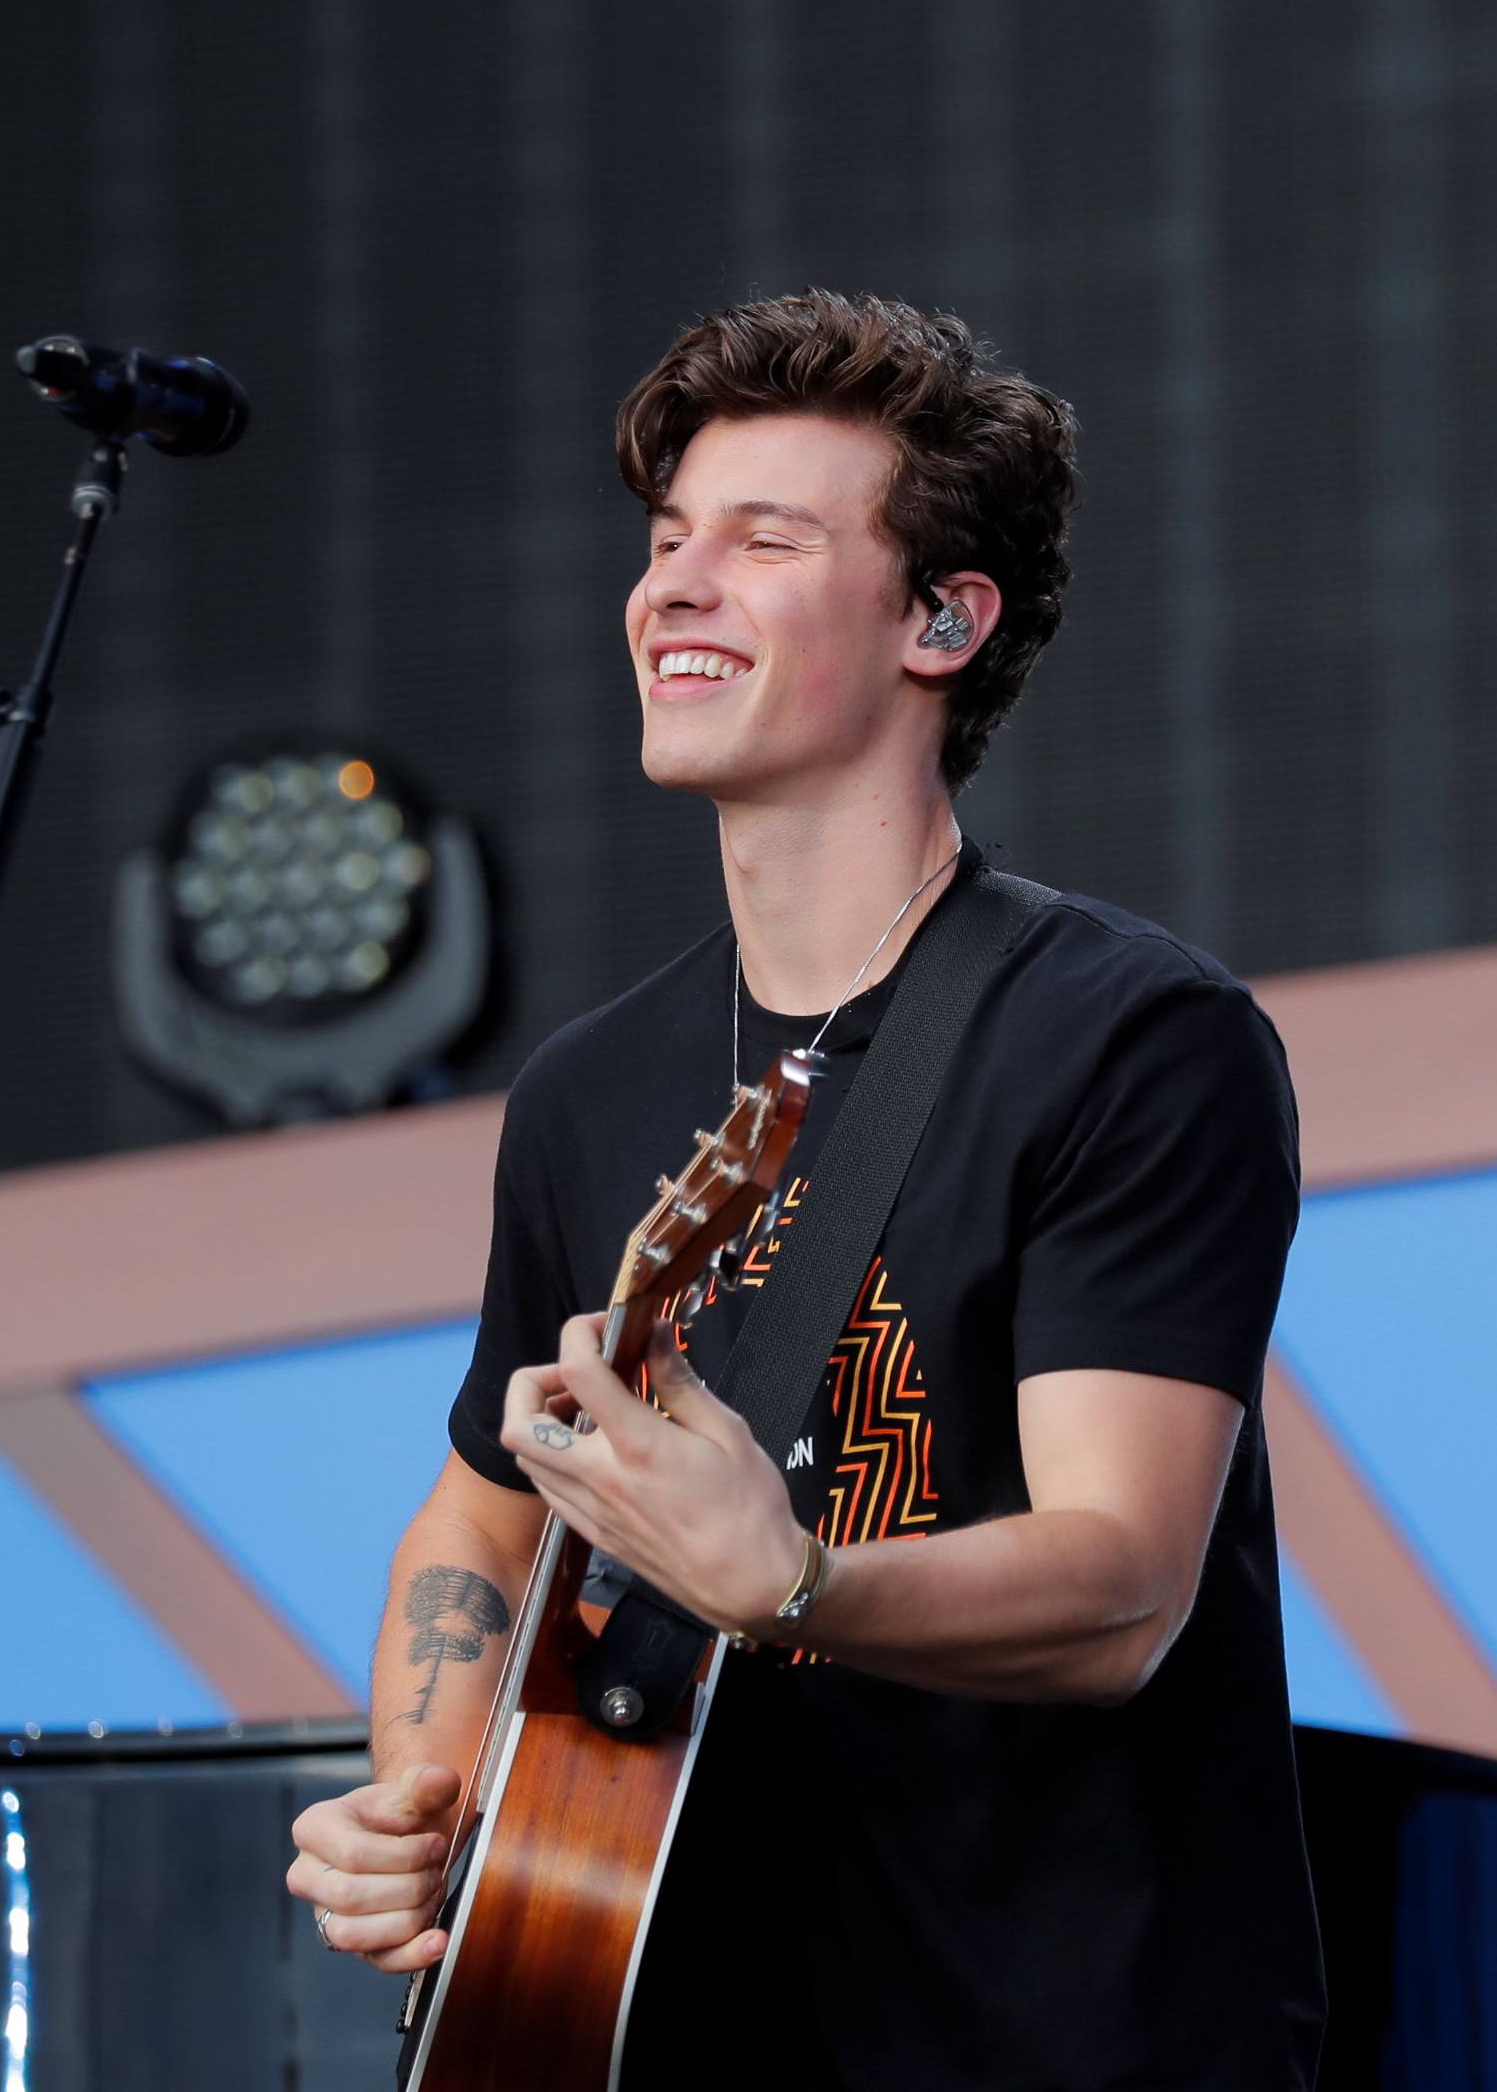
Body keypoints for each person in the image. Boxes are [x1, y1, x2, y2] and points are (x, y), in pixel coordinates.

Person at [287, 290, 1327, 2090]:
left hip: (1066, 2039)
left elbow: (1119, 1585)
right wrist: (430, 1792)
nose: (674, 587)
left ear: (943, 618)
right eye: (668, 539)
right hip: (665, 2020)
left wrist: (796, 1586)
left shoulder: (1132, 1038)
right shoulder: (588, 1091)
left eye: (764, 542)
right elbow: (483, 1513)